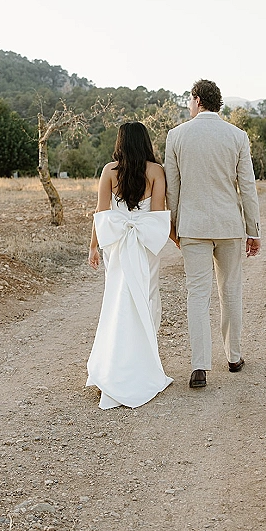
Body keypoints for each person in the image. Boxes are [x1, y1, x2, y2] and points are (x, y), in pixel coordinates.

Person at [164, 79, 261, 390]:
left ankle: (199, 366)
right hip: (230, 226)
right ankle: (233, 356)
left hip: (192, 227)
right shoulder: (237, 136)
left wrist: (175, 226)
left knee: (197, 294)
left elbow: (172, 188)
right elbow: (247, 186)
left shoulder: (176, 136)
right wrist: (253, 229)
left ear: (196, 100)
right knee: (230, 291)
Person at [86, 121, 173, 409]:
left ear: (120, 142)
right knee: (146, 300)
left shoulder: (110, 171)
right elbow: (158, 215)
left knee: (117, 301)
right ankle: (143, 366)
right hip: (145, 245)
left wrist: (93, 246)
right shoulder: (156, 172)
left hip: (118, 245)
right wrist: (174, 239)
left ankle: (112, 369)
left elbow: (101, 212)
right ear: (145, 142)